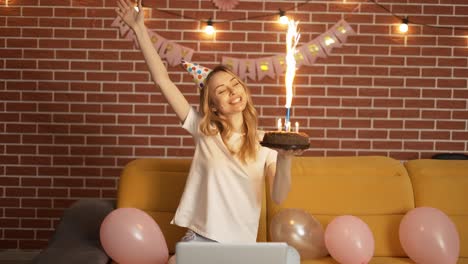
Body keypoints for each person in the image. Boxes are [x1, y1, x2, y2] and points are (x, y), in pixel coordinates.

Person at [115, 0, 304, 263]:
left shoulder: (267, 142)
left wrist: (285, 159)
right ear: (213, 108)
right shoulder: (204, 132)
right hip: (201, 241)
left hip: (242, 247)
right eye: (222, 91)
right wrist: (139, 30)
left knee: (290, 259)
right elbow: (162, 80)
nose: (232, 92)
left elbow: (279, 196)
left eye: (235, 84)